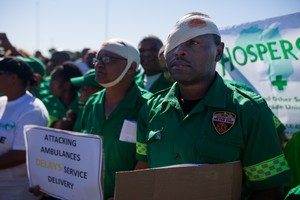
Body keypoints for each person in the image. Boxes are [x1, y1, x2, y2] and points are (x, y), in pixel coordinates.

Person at [135, 12, 291, 199]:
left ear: (218, 51)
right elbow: (142, 171)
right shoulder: (150, 109)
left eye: (193, 42)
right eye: (173, 44)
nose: (178, 51)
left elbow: (269, 190)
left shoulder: (249, 110)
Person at [80, 38, 152, 200]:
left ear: (131, 67)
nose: (98, 64)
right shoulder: (92, 103)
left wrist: (124, 194)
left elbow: (148, 160)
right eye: (97, 59)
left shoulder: (148, 106)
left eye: (107, 59)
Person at [0, 57, 49, 200]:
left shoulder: (33, 110)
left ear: (13, 78)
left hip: (15, 191)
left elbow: (22, 153)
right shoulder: (2, 101)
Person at [42, 61, 82, 130]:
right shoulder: (46, 103)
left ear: (67, 85)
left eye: (53, 81)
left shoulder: (84, 104)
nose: (49, 84)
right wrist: (55, 126)